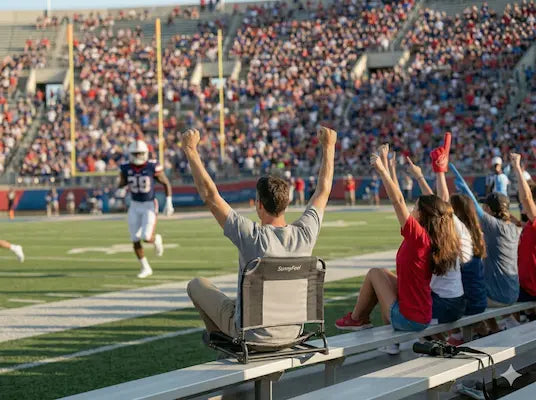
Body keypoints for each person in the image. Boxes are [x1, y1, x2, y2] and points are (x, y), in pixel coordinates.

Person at [185, 126, 336, 346]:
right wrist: (329, 147)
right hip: (293, 333)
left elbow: (210, 196)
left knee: (197, 285)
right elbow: (323, 190)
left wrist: (190, 149)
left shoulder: (252, 236)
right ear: (285, 204)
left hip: (252, 335)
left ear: (259, 205)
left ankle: (224, 346)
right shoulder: (305, 234)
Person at [336, 144, 459, 355]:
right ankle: (362, 321)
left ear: (424, 214)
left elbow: (397, 200)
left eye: (416, 208)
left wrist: (382, 169)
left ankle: (357, 319)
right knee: (383, 273)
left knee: (375, 273)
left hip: (409, 320)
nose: (412, 209)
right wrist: (389, 168)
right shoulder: (434, 236)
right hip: (421, 314)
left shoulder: (419, 238)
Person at [451, 163, 521, 334]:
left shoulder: (493, 226)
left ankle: (461, 334)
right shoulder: (514, 227)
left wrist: (459, 180)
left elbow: (473, 204)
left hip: (498, 297)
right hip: (513, 292)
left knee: (466, 285)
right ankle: (496, 326)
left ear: (489, 209)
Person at [118, 139, 174, 278]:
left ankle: (156, 239)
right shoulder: (125, 168)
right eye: (135, 154)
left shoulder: (151, 166)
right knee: (135, 238)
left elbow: (166, 183)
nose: (137, 156)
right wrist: (120, 188)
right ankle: (145, 267)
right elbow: (122, 183)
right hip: (134, 205)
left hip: (149, 205)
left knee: (146, 237)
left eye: (140, 153)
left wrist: (168, 202)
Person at [511, 153, 536, 305]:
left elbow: (526, 198)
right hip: (525, 286)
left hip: (531, 289)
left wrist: (517, 168)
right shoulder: (529, 223)